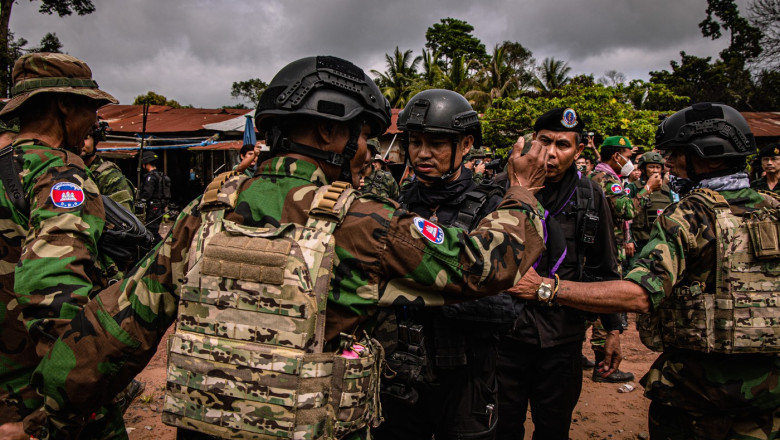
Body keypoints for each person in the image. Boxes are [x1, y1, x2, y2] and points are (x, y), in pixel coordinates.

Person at [11, 55, 550, 440]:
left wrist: (52, 415)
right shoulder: (363, 223)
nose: (369, 150)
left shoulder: (207, 209)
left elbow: (116, 327)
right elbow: (485, 267)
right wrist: (522, 195)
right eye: (364, 134)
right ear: (330, 134)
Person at [511, 102, 780, 440]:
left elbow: (637, 293)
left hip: (698, 392)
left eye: (676, 155)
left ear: (704, 155)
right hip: (770, 393)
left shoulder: (687, 216)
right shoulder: (774, 210)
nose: (669, 165)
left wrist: (546, 289)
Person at [0, 52, 126, 439]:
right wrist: (67, 401)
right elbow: (52, 288)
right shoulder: (58, 172)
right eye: (90, 107)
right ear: (64, 104)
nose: (94, 121)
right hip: (36, 391)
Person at [372, 89, 510, 440]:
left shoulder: (494, 209)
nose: (422, 153)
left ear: (465, 145)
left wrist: (422, 287)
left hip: (466, 373)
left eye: (435, 143)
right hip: (401, 373)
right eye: (414, 142)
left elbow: (509, 304)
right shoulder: (395, 205)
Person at [496, 107, 624, 440]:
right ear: (530, 143)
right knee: (500, 428)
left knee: (554, 428)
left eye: (563, 145)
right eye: (545, 141)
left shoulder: (590, 195)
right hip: (503, 335)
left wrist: (613, 330)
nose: (551, 154)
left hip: (562, 337)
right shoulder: (501, 188)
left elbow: (603, 264)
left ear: (579, 150)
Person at [584, 135, 636, 383]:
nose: (630, 161)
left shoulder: (597, 176)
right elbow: (626, 210)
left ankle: (575, 351)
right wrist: (646, 191)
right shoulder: (606, 179)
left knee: (588, 303)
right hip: (607, 248)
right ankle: (603, 366)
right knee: (605, 300)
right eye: (629, 155)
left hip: (597, 246)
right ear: (617, 156)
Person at [625, 151, 675, 259]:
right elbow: (625, 216)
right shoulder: (633, 187)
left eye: (658, 167)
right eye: (651, 167)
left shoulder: (666, 190)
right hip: (640, 242)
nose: (655, 170)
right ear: (643, 169)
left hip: (661, 241)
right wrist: (629, 240)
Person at [81, 121, 136, 212]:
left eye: (86, 137)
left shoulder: (109, 177)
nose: (80, 143)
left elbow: (123, 221)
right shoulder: (64, 170)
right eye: (77, 138)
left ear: (95, 140)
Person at [138, 150, 169, 239]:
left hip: (152, 208)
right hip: (159, 207)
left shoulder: (150, 177)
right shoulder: (161, 176)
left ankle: (160, 246)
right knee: (153, 230)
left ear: (146, 163)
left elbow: (147, 194)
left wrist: (140, 199)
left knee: (151, 231)